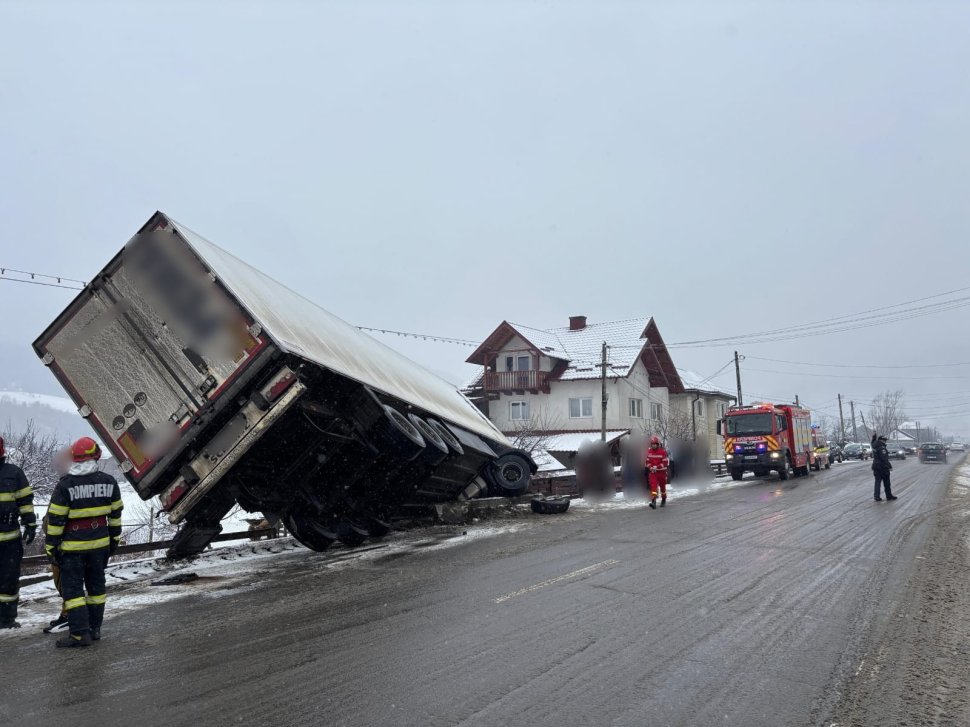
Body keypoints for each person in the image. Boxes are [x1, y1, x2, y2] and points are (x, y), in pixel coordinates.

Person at [45, 436, 123, 648]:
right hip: (99, 547)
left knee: (74, 592)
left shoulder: (65, 485)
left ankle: (79, 634)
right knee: (96, 588)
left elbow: (56, 520)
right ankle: (95, 629)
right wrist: (112, 542)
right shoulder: (109, 482)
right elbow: (115, 517)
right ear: (95, 455)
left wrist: (51, 546)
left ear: (74, 458)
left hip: (72, 550)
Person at [0, 436, 36, 629]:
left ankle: (6, 619)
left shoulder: (14, 473)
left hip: (9, 540)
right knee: (7, 580)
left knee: (9, 580)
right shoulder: (14, 473)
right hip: (9, 540)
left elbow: (25, 501)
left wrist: (30, 523)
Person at [42, 447, 73, 633]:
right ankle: (66, 614)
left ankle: (70, 616)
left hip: (64, 545)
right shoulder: (66, 484)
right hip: (65, 544)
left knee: (66, 584)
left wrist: (53, 542)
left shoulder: (66, 486)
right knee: (65, 583)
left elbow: (57, 518)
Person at [645, 435, 670, 510]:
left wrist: (658, 467)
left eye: (655, 444)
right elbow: (647, 461)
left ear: (658, 444)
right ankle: (654, 501)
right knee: (653, 487)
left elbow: (665, 462)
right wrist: (650, 467)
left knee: (662, 487)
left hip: (661, 472)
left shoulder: (662, 452)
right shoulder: (649, 452)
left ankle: (663, 499)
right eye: (652, 444)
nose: (654, 445)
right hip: (653, 472)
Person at [872, 434, 897, 502]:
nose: (885, 442)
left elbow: (873, 442)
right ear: (882, 440)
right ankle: (888, 496)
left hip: (876, 466)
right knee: (887, 482)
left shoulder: (875, 445)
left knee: (877, 482)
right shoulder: (882, 447)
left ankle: (876, 496)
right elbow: (884, 458)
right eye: (885, 440)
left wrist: (874, 437)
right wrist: (889, 466)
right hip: (882, 467)